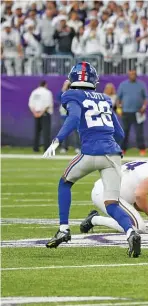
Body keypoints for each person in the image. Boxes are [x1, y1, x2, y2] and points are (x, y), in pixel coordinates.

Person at [42, 62, 140, 258]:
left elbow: (73, 118)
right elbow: (119, 132)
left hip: (90, 152)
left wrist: (57, 140)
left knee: (65, 183)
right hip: (112, 154)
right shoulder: (104, 98)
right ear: (94, 80)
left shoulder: (71, 95)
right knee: (112, 204)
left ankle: (64, 229)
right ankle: (131, 232)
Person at [80, 150, 148, 234]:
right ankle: (94, 219)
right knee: (137, 227)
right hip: (109, 195)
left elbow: (138, 204)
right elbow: (140, 195)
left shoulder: (147, 165)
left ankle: (94, 219)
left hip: (104, 190)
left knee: (134, 224)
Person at [117, 69, 148, 156]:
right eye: (131, 74)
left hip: (138, 113)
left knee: (139, 132)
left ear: (136, 75)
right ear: (128, 75)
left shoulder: (141, 85)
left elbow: (146, 98)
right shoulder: (123, 85)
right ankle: (123, 149)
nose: (132, 75)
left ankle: (142, 149)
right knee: (125, 132)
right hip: (126, 112)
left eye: (134, 74)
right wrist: (119, 109)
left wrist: (144, 107)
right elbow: (118, 98)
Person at [28, 80, 54, 153]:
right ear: (45, 85)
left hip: (36, 113)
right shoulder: (47, 92)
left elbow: (30, 103)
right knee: (46, 132)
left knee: (36, 132)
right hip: (45, 113)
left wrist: (35, 113)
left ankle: (35, 148)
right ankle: (46, 148)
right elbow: (48, 104)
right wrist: (42, 112)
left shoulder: (34, 92)